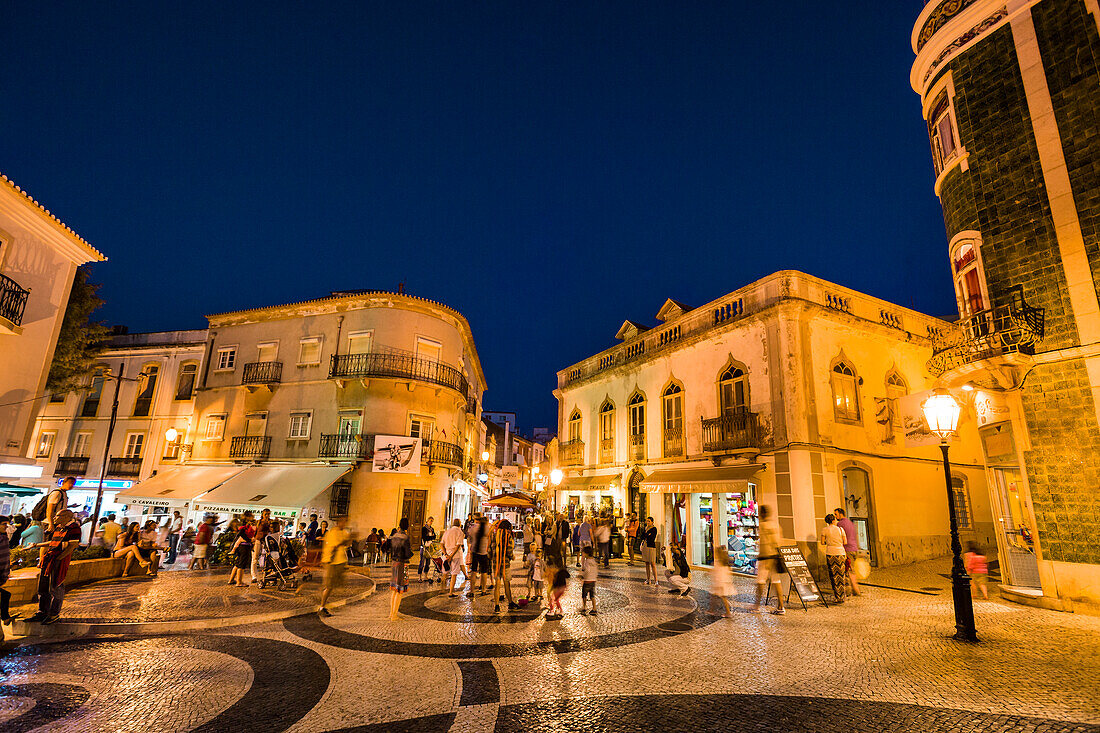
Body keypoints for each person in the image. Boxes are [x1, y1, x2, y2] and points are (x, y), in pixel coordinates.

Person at [27, 509, 81, 625]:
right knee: (43, 586)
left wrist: (58, 559)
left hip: (58, 560)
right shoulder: (59, 527)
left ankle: (54, 614)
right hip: (49, 559)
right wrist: (36, 545)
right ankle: (42, 612)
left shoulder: (73, 528)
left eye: (57, 516)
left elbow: (72, 546)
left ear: (66, 516)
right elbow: (53, 542)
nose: (55, 518)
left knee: (56, 586)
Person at [752, 505, 786, 615]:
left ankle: (756, 606)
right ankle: (781, 606)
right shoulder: (775, 525)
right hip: (774, 556)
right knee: (776, 581)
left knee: (761, 582)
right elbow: (777, 541)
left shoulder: (765, 525)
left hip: (766, 558)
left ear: (762, 514)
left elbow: (767, 543)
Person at [318, 515, 352, 616]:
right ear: (338, 522)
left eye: (346, 522)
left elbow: (346, 544)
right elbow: (336, 545)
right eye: (343, 521)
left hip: (339, 562)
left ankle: (322, 595)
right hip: (331, 562)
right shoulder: (333, 532)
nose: (345, 523)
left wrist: (349, 539)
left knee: (332, 586)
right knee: (329, 586)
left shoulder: (343, 532)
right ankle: (321, 607)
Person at [388, 517, 414, 621]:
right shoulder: (405, 537)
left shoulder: (394, 535)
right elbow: (407, 553)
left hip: (394, 562)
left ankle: (391, 613)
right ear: (407, 525)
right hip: (402, 563)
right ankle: (394, 615)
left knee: (394, 589)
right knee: (399, 590)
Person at [820, 513, 848, 604]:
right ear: (833, 520)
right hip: (840, 553)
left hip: (830, 553)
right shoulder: (841, 529)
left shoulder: (824, 530)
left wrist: (829, 541)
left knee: (833, 575)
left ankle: (837, 597)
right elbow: (845, 542)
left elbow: (822, 542)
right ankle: (843, 596)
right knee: (841, 575)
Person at [492, 517, 517, 613]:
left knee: (497, 585)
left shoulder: (494, 535)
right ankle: (510, 603)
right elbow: (509, 551)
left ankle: (497, 606)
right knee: (507, 583)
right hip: (505, 564)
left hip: (496, 563)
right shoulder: (508, 536)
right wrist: (512, 556)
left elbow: (490, 549)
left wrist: (493, 558)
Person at [834, 508, 861, 597]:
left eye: (836, 514)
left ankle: (854, 590)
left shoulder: (840, 524)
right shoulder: (850, 523)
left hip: (847, 549)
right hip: (854, 549)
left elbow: (839, 537)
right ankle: (853, 589)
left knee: (848, 570)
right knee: (851, 569)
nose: (835, 516)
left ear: (841, 514)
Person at [440, 519, 466, 598]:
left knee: (444, 573)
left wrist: (446, 554)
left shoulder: (447, 532)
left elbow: (441, 544)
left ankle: (442, 589)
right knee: (454, 574)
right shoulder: (460, 532)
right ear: (459, 524)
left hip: (446, 555)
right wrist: (451, 556)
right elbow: (458, 546)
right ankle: (450, 592)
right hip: (455, 556)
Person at [466, 516, 490, 597]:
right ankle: (483, 590)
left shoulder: (474, 527)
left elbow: (470, 536)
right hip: (484, 552)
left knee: (473, 571)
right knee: (484, 572)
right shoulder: (488, 528)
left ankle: (472, 591)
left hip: (475, 551)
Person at [0, 515, 16, 625]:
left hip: (2, 573)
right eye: (3, 524)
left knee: (5, 595)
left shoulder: (3, 536)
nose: (6, 526)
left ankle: (5, 617)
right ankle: (5, 618)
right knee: (5, 595)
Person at [712, 541, 735, 618]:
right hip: (723, 584)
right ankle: (711, 610)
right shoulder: (726, 564)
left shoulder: (720, 564)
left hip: (721, 584)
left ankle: (728, 612)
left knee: (721, 598)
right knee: (714, 597)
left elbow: (719, 575)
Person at [228, 520, 253, 587]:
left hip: (240, 547)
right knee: (241, 565)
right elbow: (245, 537)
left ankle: (231, 580)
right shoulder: (246, 529)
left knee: (237, 563)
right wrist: (250, 540)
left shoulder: (242, 529)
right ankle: (239, 582)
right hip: (244, 547)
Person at [545, 555, 568, 620]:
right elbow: (567, 575)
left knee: (552, 599)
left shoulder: (556, 572)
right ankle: (559, 610)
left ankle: (552, 611)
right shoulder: (561, 571)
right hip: (562, 587)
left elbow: (555, 581)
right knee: (556, 599)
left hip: (558, 587)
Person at [580, 545, 599, 615]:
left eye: (583, 553)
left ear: (587, 553)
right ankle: (594, 608)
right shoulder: (594, 561)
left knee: (584, 595)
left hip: (587, 580)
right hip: (593, 580)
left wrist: (583, 575)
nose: (583, 554)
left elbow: (587, 570)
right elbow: (596, 570)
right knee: (592, 595)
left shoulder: (587, 561)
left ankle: (584, 607)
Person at [418, 517, 437, 582]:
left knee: (428, 562)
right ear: (427, 521)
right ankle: (420, 577)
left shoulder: (432, 529)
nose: (431, 522)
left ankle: (426, 575)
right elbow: (424, 537)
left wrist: (431, 537)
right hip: (423, 546)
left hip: (429, 547)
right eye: (430, 521)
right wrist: (431, 537)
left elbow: (435, 537)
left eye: (432, 521)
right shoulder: (424, 528)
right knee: (422, 562)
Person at [641, 517, 659, 586]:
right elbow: (642, 536)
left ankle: (656, 580)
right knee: (647, 563)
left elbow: (652, 538)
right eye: (647, 521)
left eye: (649, 521)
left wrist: (646, 535)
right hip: (645, 546)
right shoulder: (646, 529)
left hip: (651, 547)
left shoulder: (654, 529)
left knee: (653, 563)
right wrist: (647, 535)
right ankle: (648, 579)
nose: (647, 523)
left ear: (652, 522)